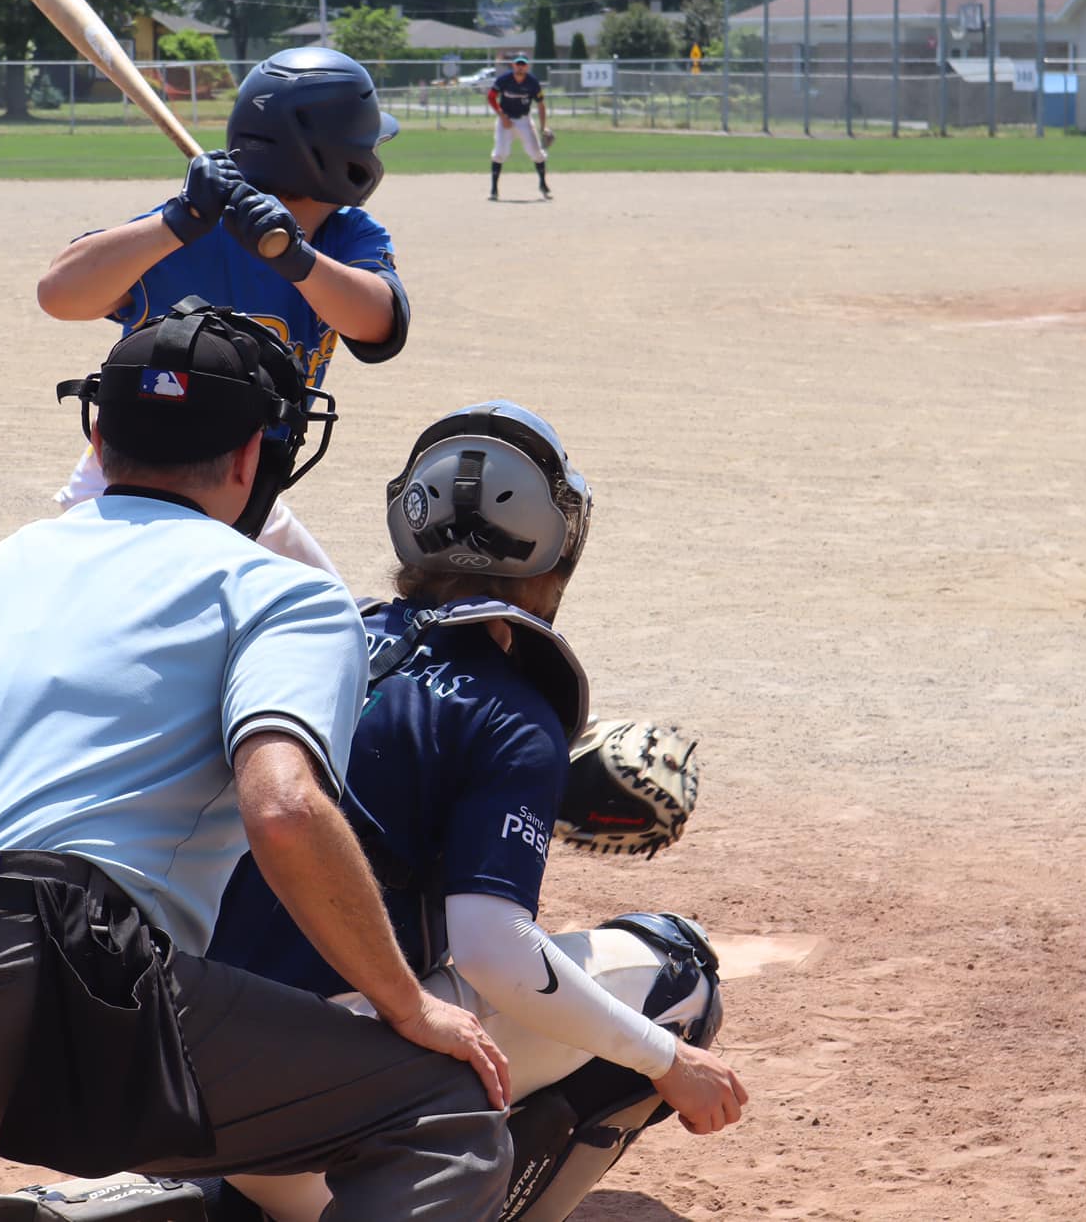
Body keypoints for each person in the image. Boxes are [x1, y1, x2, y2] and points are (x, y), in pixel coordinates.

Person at [0, 303, 513, 1222]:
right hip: (31, 992)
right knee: (443, 1112)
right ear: (252, 458)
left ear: (99, 439)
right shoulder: (281, 594)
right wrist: (407, 1005)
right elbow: (284, 809)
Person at [206, 402, 748, 1222]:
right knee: (680, 971)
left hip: (180, 1078)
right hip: (314, 1125)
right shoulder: (511, 711)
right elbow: (493, 950)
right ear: (558, 544)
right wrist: (669, 1060)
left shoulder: (315, 636)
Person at [36, 47, 410, 574]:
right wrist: (177, 221)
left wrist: (295, 257)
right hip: (132, 486)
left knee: (326, 610)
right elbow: (58, 293)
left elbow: (378, 324)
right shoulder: (189, 229)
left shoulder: (346, 236)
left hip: (244, 482)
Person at [487, 56, 552, 202]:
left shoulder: (532, 82)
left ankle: (543, 184)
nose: (520, 67)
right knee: (500, 153)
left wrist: (543, 127)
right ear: (513, 66)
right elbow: (491, 97)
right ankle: (494, 190)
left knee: (537, 153)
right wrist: (502, 116)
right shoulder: (504, 79)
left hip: (524, 120)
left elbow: (541, 105)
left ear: (527, 67)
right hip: (505, 120)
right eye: (518, 64)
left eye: (523, 65)